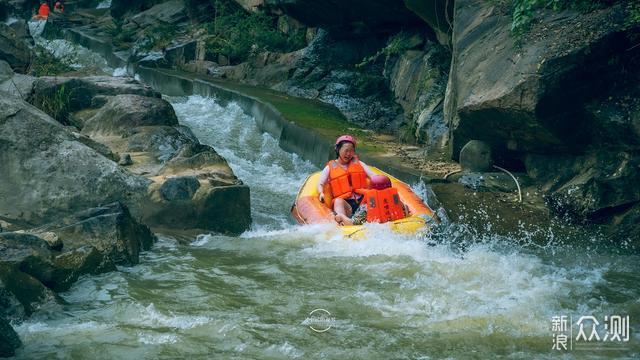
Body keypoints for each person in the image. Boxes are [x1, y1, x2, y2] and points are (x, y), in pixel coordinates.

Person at [317, 135, 376, 226]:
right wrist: (321, 193)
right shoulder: (330, 167)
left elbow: (373, 176)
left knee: (372, 195)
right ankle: (343, 220)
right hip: (347, 205)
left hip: (362, 202)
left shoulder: (359, 163)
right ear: (338, 150)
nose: (348, 154)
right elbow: (320, 183)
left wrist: (382, 185)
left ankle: (360, 219)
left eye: (351, 151)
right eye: (346, 150)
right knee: (338, 201)